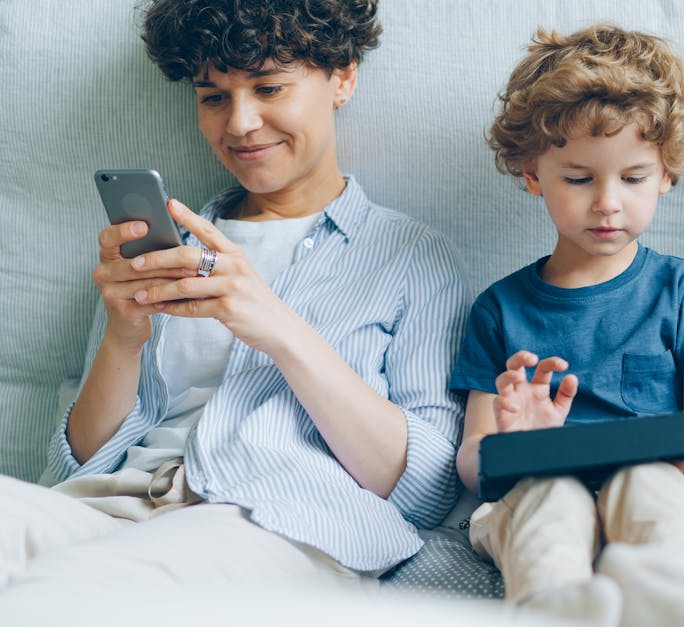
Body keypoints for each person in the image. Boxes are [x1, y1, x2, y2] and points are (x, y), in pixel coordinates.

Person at [0, 0, 467, 590]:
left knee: (89, 585)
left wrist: (276, 326)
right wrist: (123, 337)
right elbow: (80, 463)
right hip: (112, 507)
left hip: (275, 520)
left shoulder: (411, 257)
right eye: (214, 96)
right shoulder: (168, 243)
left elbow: (427, 491)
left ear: (343, 77)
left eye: (269, 88)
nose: (240, 123)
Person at [450, 24, 684, 627]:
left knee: (650, 483)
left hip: (658, 499)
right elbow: (472, 462)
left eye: (633, 178)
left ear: (666, 173)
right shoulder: (499, 309)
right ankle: (555, 609)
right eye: (580, 179)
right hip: (530, 496)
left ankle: (672, 603)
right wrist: (513, 441)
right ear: (534, 175)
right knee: (552, 497)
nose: (608, 202)